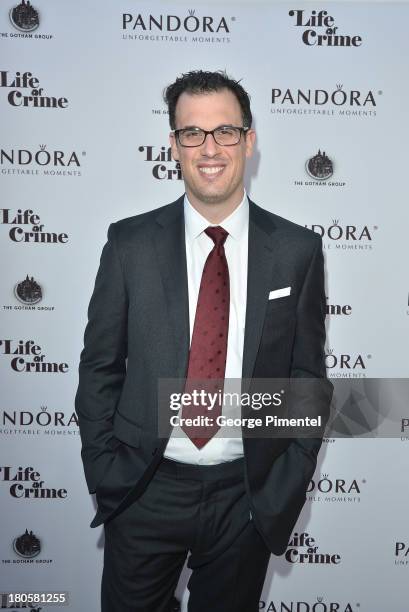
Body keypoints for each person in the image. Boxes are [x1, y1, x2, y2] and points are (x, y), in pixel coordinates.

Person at [75, 70, 332, 612]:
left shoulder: (296, 250)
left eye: (225, 131)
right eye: (193, 133)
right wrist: (107, 470)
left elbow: (307, 378)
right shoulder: (129, 243)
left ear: (249, 141)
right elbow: (100, 367)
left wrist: (286, 478)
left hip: (246, 497)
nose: (209, 148)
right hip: (144, 489)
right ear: (173, 144)